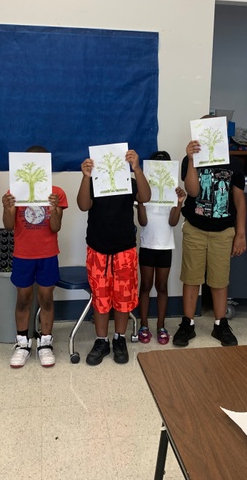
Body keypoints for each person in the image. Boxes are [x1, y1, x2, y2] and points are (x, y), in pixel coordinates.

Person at [173, 128, 247, 348]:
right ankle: (188, 323)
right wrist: (191, 159)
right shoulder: (190, 161)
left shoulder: (234, 164)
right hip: (195, 228)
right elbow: (193, 191)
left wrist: (240, 233)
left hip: (223, 231)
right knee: (191, 277)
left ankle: (220, 323)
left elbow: (240, 201)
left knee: (219, 279)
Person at [78, 148, 150, 365]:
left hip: (124, 249)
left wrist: (137, 169)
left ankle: (119, 338)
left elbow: (146, 197)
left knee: (123, 298)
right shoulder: (94, 181)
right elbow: (83, 205)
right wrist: (85, 176)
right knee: (100, 298)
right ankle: (102, 340)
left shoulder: (130, 182)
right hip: (98, 248)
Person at [2, 146, 68, 368]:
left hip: (48, 254)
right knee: (23, 298)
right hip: (23, 255)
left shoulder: (56, 192)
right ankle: (22, 343)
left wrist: (55, 208)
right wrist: (7, 207)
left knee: (46, 297)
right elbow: (9, 226)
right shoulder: (15, 191)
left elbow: (55, 227)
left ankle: (45, 342)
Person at [136, 150, 186, 345]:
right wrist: (140, 202)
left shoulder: (172, 190)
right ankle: (144, 325)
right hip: (148, 243)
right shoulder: (145, 190)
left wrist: (179, 203)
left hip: (165, 245)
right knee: (146, 285)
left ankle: (161, 325)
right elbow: (142, 221)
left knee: (162, 287)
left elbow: (173, 222)